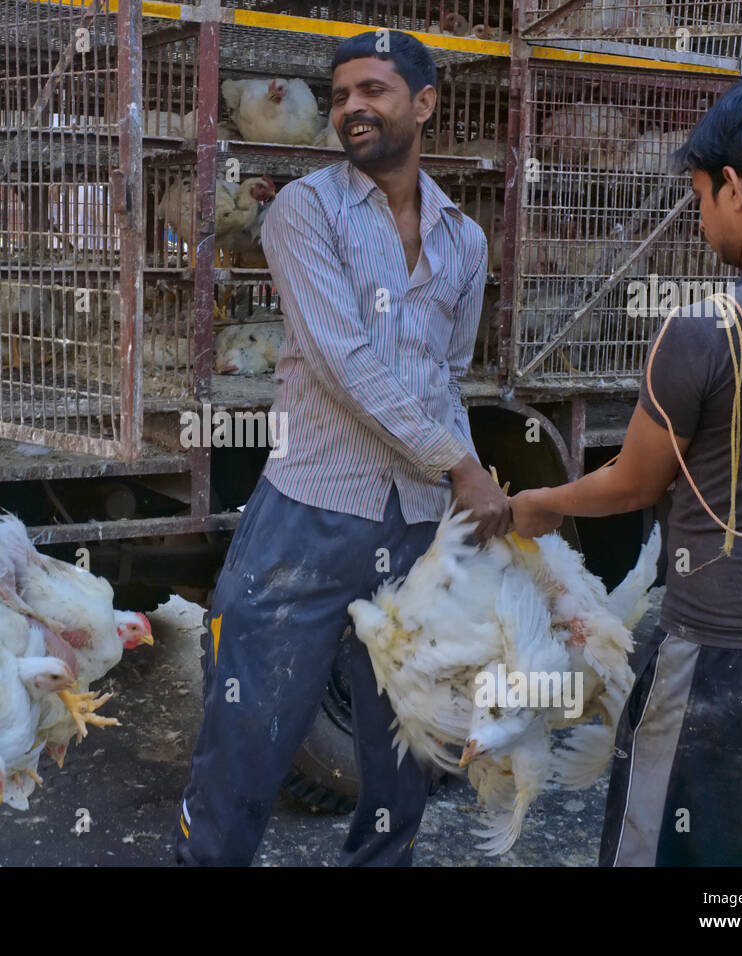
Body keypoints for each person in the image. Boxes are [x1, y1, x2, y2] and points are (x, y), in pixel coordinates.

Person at [510, 77, 742, 866]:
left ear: (737, 189)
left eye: (702, 195)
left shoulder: (707, 327)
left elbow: (633, 483)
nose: (702, 214)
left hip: (726, 660)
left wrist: (539, 503)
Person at [173, 29, 506, 866]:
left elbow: (447, 372)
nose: (353, 106)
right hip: (311, 510)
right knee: (250, 725)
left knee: (406, 740)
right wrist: (459, 464)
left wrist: (460, 499)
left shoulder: (464, 239)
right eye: (343, 92)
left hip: (416, 522)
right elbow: (341, 358)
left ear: (424, 104)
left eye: (375, 90)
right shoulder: (304, 210)